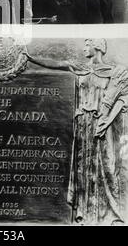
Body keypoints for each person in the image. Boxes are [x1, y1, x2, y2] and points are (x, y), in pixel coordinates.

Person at [26, 39, 128, 225]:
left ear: (98, 46)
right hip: (83, 124)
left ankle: (110, 214)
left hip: (102, 124)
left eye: (87, 44)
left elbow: (123, 98)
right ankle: (85, 214)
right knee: (83, 168)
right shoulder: (79, 67)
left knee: (107, 165)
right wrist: (30, 56)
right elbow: (56, 64)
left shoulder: (115, 72)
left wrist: (107, 120)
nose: (83, 47)